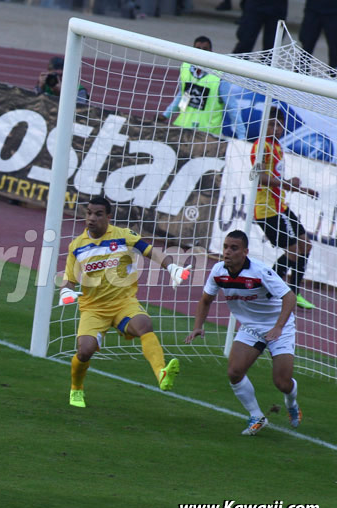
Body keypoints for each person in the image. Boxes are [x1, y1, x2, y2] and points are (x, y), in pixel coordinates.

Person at [59, 196, 190, 408]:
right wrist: (65, 292)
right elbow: (69, 280)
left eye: (98, 214)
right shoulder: (77, 246)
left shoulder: (123, 236)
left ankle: (161, 373)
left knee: (144, 325)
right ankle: (76, 388)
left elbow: (151, 251)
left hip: (123, 303)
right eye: (89, 213)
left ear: (108, 217)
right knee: (84, 351)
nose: (91, 218)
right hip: (93, 309)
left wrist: (172, 267)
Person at [185, 230, 301, 435]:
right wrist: (197, 326)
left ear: (245, 252)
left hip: (278, 325)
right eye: (225, 247)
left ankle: (291, 403)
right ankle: (256, 416)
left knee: (282, 382)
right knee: (234, 372)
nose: (227, 252)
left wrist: (278, 327)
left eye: (234, 248)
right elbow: (205, 300)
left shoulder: (259, 272)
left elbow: (289, 297)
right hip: (250, 327)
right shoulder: (218, 271)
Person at [251, 106, 319, 309]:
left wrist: (300, 188)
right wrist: (288, 183)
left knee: (305, 245)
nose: (277, 128)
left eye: (280, 125)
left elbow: (276, 179)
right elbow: (260, 176)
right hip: (266, 210)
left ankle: (295, 293)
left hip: (281, 207)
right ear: (265, 125)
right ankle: (268, 289)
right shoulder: (261, 146)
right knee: (293, 251)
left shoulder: (278, 147)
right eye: (272, 124)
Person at [160, 36, 247, 139]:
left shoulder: (219, 76)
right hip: (183, 130)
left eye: (205, 49)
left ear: (211, 51)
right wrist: (166, 114)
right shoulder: (185, 68)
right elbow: (182, 95)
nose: (201, 52)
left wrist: (242, 136)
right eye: (198, 49)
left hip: (207, 136)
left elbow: (232, 107)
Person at [299, 0, 337, 69]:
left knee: (334, 46)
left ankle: (334, 73)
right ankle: (301, 70)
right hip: (313, 9)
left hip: (334, 12)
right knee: (307, 43)